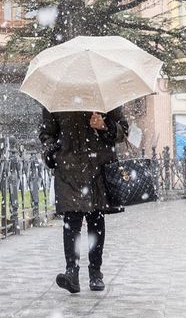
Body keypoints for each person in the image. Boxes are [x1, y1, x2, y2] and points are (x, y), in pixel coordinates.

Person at [39, 108, 129, 294]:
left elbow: (123, 131)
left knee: (95, 219)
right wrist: (54, 151)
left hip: (98, 168)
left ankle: (95, 272)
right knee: (71, 221)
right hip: (69, 169)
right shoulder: (58, 99)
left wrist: (104, 126)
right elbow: (47, 133)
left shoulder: (102, 93)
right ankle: (72, 271)